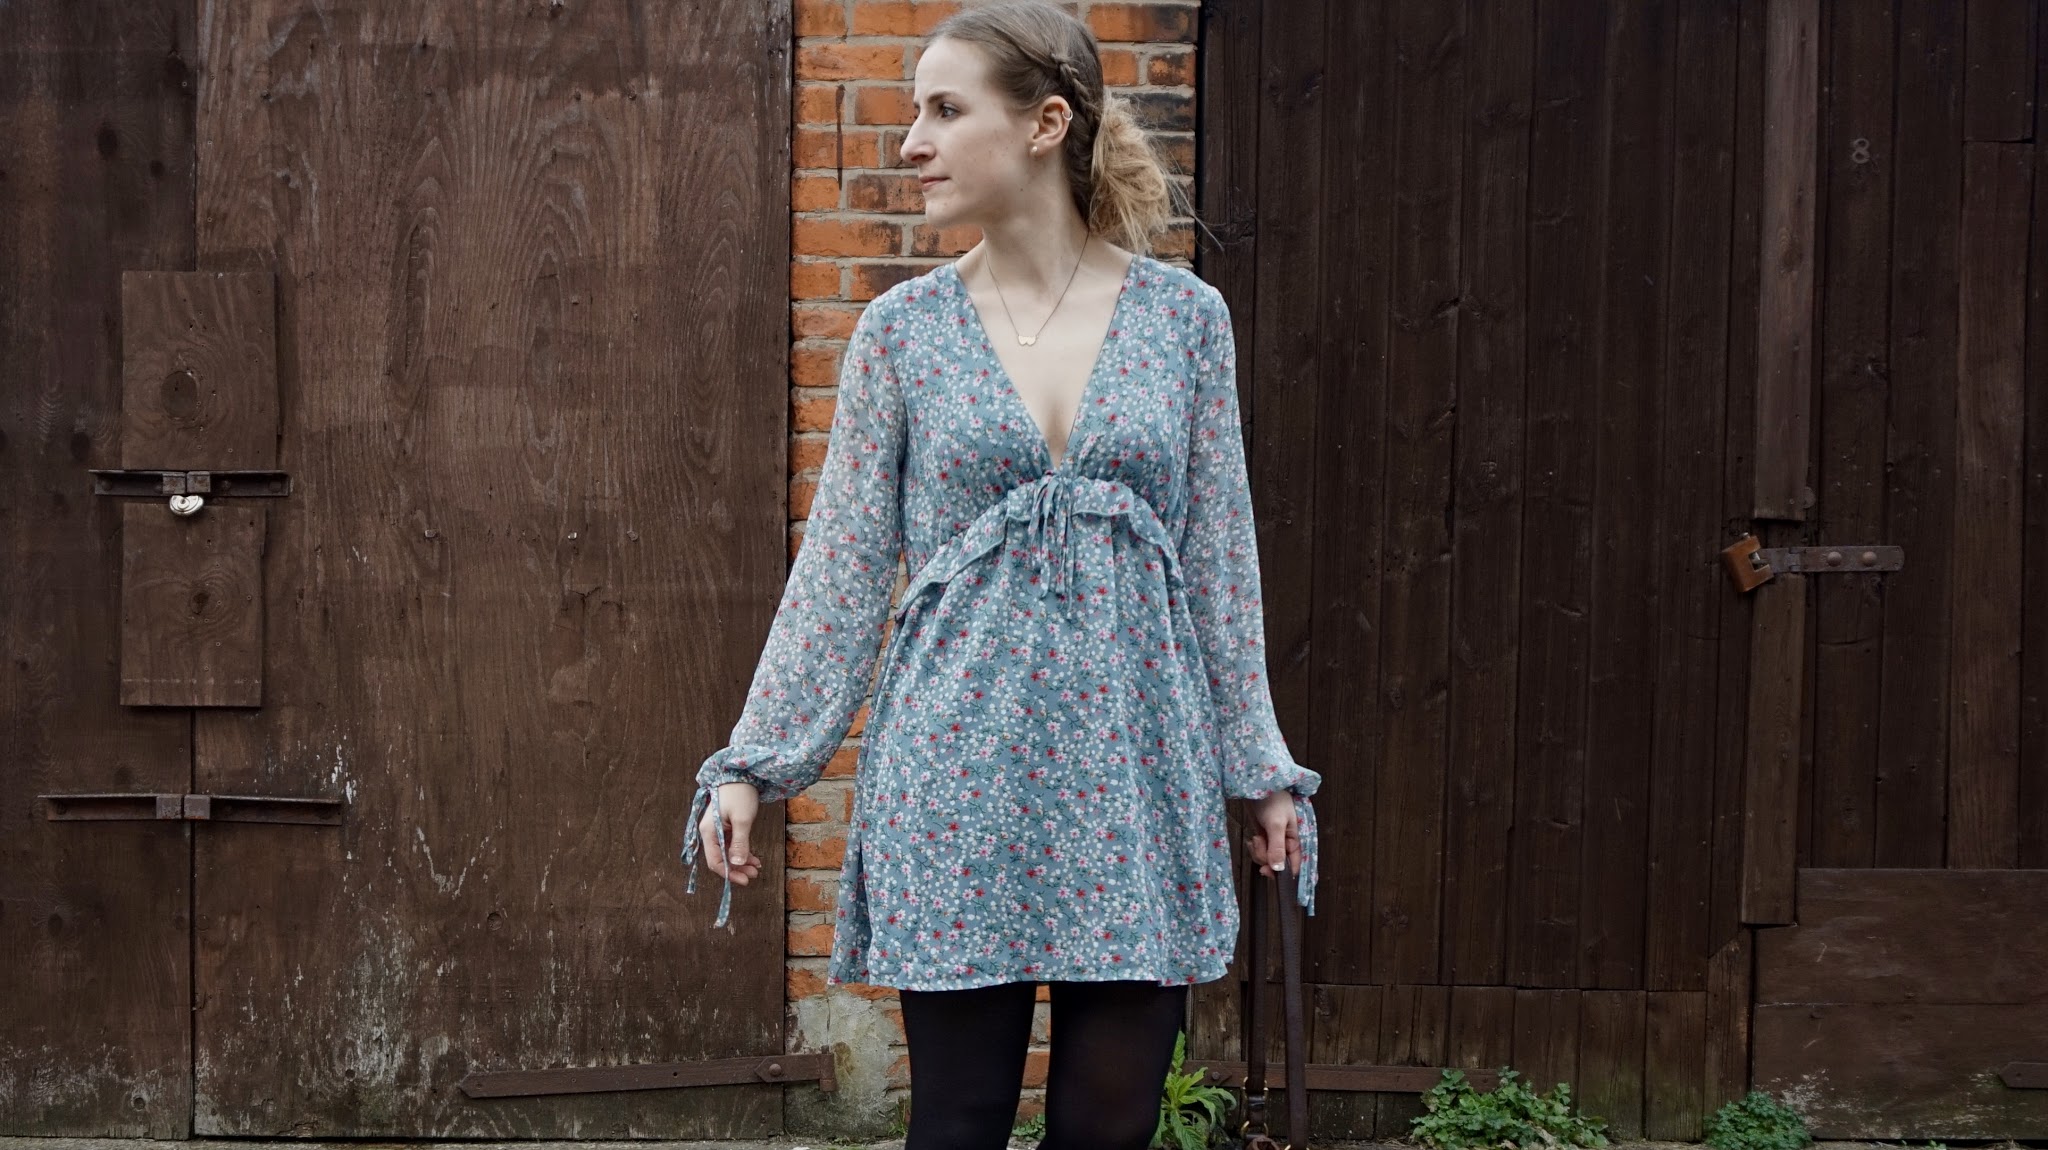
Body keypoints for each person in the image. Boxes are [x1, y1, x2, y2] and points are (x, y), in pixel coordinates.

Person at [679, 2, 1322, 1146]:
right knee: (958, 1121)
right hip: (955, 774)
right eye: (912, 112)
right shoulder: (901, 334)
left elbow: (1220, 562)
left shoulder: (1184, 321)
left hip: (1134, 774)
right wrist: (756, 762)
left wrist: (1259, 767)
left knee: (1108, 1126)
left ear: (1044, 124)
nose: (910, 142)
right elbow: (841, 569)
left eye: (942, 109)